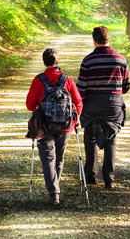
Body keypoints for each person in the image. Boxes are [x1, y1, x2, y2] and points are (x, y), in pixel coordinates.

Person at [26, 48, 83, 206]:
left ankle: (54, 193)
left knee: (47, 159)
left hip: (44, 126)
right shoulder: (68, 80)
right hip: (66, 126)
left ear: (44, 62)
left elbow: (30, 105)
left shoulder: (38, 80)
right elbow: (78, 102)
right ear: (57, 62)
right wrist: (76, 119)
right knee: (58, 158)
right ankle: (55, 189)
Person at [76, 25, 130, 190]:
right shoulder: (121, 60)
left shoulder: (88, 61)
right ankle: (109, 180)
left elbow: (81, 89)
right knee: (111, 140)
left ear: (94, 41)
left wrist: (81, 108)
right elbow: (126, 86)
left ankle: (91, 177)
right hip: (113, 104)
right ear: (108, 39)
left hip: (92, 105)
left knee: (90, 138)